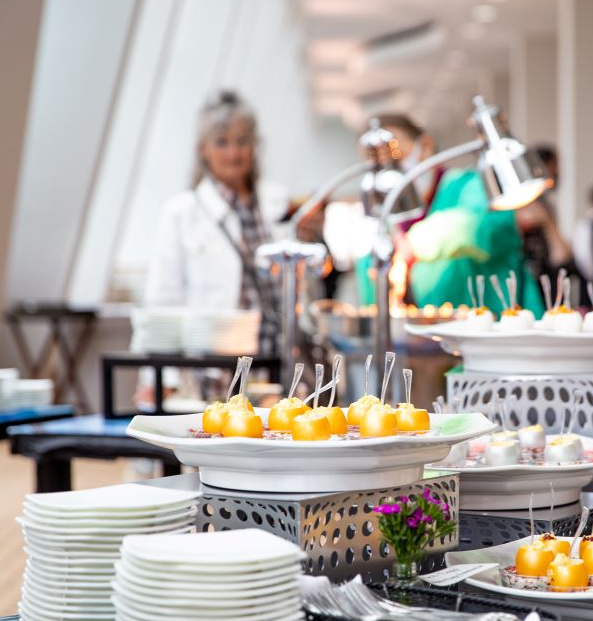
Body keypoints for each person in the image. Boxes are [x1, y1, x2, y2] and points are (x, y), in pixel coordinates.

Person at [142, 90, 289, 402]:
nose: (234, 153)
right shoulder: (183, 212)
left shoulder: (276, 204)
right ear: (202, 150)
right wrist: (158, 377)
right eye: (222, 142)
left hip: (274, 363)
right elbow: (163, 299)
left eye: (242, 141)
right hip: (213, 368)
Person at [322, 114, 444, 305]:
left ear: (426, 145)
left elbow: (477, 229)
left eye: (396, 156)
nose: (388, 172)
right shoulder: (389, 217)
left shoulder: (463, 185)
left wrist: (409, 244)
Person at [405, 168, 545, 316]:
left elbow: (479, 230)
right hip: (450, 318)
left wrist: (413, 241)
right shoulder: (447, 190)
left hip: (495, 315)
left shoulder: (470, 184)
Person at [517, 145, 575, 293]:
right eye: (555, 167)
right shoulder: (516, 202)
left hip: (545, 282)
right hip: (524, 284)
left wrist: (548, 222)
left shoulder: (545, 205)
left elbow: (561, 257)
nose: (557, 173)